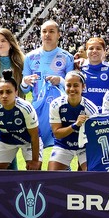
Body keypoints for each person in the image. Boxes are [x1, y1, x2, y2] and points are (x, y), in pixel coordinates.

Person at [23, 20, 74, 149]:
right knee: (35, 150)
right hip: (38, 109)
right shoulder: (30, 57)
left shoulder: (66, 57)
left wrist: (60, 81)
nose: (47, 34)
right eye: (44, 31)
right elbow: (24, 90)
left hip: (60, 109)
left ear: (59, 35)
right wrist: (25, 82)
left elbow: (73, 84)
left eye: (51, 31)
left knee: (61, 150)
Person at [0, 70, 42, 171]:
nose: (4, 95)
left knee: (34, 170)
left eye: (9, 92)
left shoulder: (26, 108)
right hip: (6, 141)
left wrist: (35, 161)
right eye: (1, 92)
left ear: (16, 92)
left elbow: (34, 136)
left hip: (28, 141)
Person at [48, 70, 99, 171]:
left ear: (83, 87)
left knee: (90, 175)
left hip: (84, 148)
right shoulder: (56, 104)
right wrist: (76, 125)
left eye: (76, 85)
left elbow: (95, 137)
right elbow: (57, 133)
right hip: (63, 146)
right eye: (68, 85)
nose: (72, 89)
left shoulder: (91, 108)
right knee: (52, 175)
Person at [79, 36, 109, 107]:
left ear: (104, 51)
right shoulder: (80, 68)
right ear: (86, 51)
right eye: (91, 48)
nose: (94, 51)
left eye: (98, 48)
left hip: (105, 113)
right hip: (86, 114)